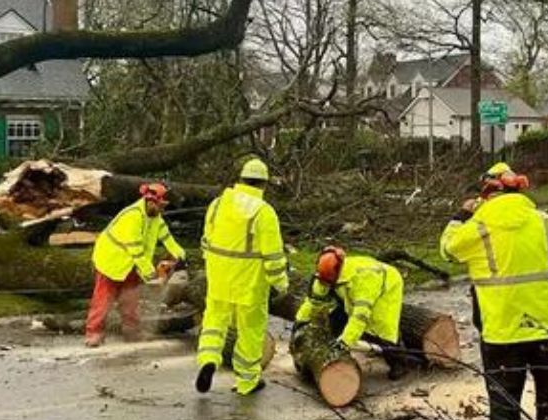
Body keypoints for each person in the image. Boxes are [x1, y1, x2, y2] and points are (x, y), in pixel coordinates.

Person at [440, 162, 548, 420]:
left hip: (502, 334)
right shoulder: (546, 222)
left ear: (486, 194)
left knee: (504, 406)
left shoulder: (476, 227)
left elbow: (447, 250)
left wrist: (461, 214)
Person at [194, 157, 288, 396]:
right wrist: (281, 283)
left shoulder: (217, 204)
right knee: (251, 332)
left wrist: (214, 268)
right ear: (264, 185)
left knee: (214, 322)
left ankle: (208, 359)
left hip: (219, 278)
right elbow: (273, 256)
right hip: (250, 283)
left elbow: (206, 242)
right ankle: (247, 381)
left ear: (241, 179)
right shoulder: (264, 212)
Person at [85, 182, 186, 347]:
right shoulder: (132, 217)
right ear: (151, 202)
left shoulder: (155, 218)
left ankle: (132, 332)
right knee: (103, 299)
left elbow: (167, 238)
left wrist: (181, 255)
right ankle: (93, 333)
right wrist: (150, 273)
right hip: (111, 260)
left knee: (131, 299)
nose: (162, 209)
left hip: (132, 263)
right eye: (161, 205)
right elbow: (136, 249)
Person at [295, 246, 410, 380]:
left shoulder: (364, 279)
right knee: (336, 319)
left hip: (387, 284)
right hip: (352, 292)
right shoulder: (325, 275)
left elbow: (360, 316)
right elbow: (314, 301)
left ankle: (400, 363)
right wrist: (301, 319)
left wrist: (346, 341)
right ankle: (334, 354)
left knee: (383, 327)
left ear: (338, 271)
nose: (325, 285)